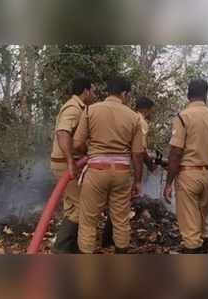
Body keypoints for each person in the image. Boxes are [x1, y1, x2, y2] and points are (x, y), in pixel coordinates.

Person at [73, 76, 144, 254]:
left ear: (108, 91)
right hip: (121, 173)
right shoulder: (134, 117)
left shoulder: (90, 111)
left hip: (97, 171)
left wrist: (89, 152)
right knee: (121, 220)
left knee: (88, 221)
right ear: (124, 93)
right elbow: (137, 154)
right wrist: (138, 181)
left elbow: (77, 143)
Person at [163, 79, 208, 253]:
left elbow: (176, 152)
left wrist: (168, 183)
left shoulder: (183, 117)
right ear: (206, 95)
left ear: (188, 94)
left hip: (188, 175)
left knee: (190, 230)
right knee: (202, 221)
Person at [101, 96, 156, 248]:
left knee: (115, 204)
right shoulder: (140, 122)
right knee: (121, 206)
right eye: (151, 110)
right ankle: (112, 241)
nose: (151, 113)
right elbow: (140, 150)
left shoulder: (128, 118)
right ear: (146, 109)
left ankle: (107, 238)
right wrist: (150, 165)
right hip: (127, 169)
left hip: (114, 165)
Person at [50, 75, 95, 253]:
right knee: (82, 208)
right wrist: (70, 162)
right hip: (65, 165)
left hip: (67, 163)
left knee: (72, 208)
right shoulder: (73, 108)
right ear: (86, 91)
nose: (94, 94)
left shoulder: (80, 108)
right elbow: (62, 133)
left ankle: (70, 249)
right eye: (93, 90)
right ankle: (61, 248)